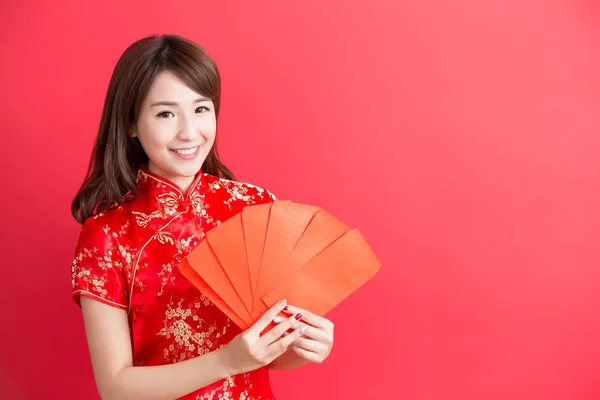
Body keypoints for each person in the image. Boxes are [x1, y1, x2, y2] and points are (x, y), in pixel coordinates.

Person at [70, 34, 335, 400]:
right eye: (165, 113)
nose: (188, 132)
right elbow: (116, 388)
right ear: (131, 124)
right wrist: (228, 361)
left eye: (201, 109)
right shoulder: (107, 236)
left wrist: (304, 347)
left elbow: (267, 353)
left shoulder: (254, 207)